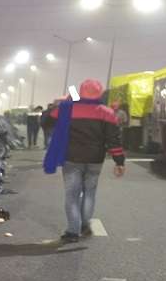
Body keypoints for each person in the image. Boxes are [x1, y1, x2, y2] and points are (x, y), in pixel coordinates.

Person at [40, 79, 125, 243]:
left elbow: (45, 121)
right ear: (100, 93)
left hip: (71, 158)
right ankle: (84, 225)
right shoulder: (106, 112)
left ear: (80, 91)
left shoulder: (67, 109)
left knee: (72, 195)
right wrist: (119, 161)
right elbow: (114, 139)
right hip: (95, 159)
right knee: (89, 193)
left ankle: (73, 231)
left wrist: (60, 104)